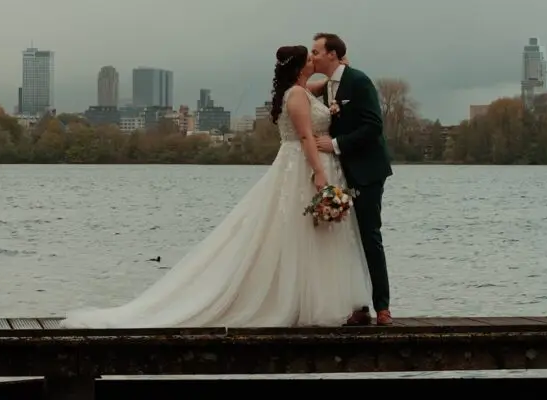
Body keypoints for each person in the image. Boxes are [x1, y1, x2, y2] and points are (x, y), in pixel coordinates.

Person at [60, 45, 371, 328]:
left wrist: (339, 68)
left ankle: (305, 298)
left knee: (296, 233)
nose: (314, 60)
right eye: (310, 57)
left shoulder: (299, 90)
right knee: (290, 233)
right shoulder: (298, 96)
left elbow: (324, 86)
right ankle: (286, 300)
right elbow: (305, 137)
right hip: (301, 165)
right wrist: (319, 174)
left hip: (297, 164)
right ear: (301, 66)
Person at [308, 32, 395, 326]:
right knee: (347, 239)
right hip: (341, 173)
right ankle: (357, 304)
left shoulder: (358, 81)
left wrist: (334, 144)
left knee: (370, 235)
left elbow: (373, 126)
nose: (313, 56)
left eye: (317, 51)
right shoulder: (330, 86)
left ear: (332, 53)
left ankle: (382, 307)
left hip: (367, 171)